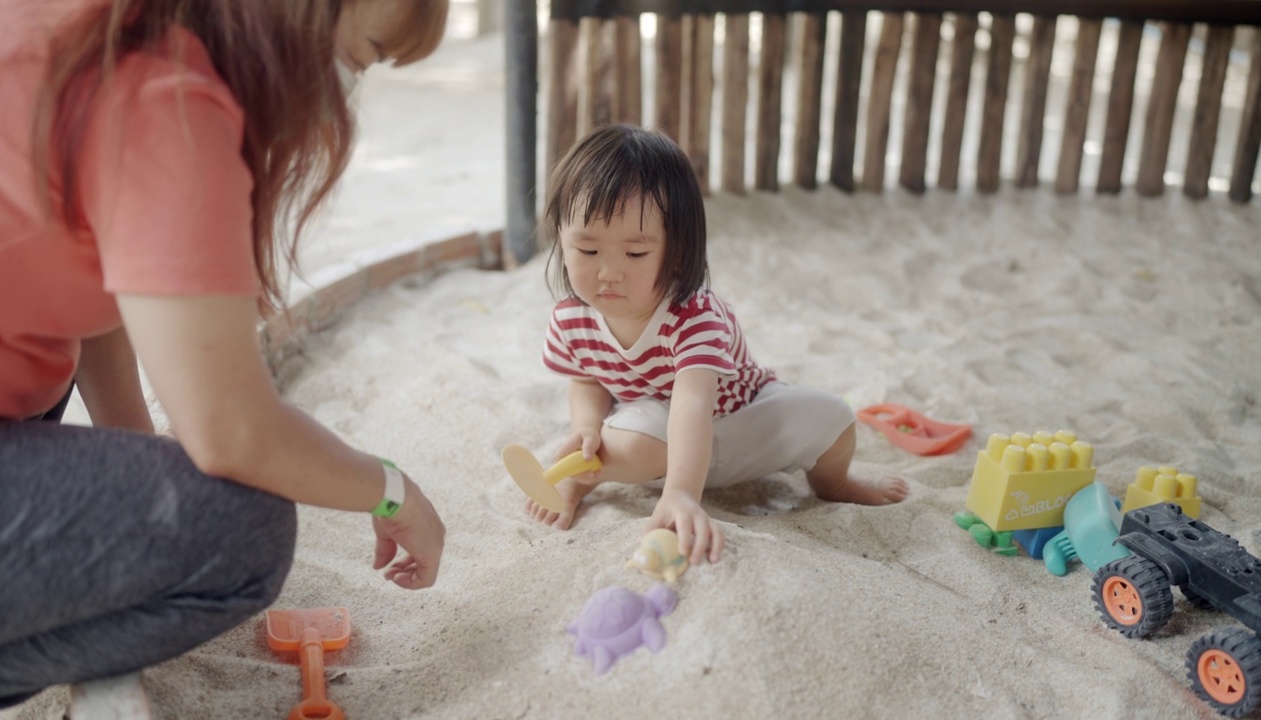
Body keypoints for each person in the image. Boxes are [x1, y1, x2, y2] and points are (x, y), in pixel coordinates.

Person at [0, 0, 449, 715]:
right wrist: (389, 487)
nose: (345, 99)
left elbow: (98, 280)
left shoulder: (105, 28)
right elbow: (233, 431)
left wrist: (140, 481)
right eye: (359, 58)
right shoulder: (168, 100)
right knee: (244, 529)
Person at [525, 124, 911, 567]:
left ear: (677, 251)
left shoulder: (694, 315)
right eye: (587, 251)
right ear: (562, 238)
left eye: (634, 254)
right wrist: (588, 425)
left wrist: (682, 495)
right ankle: (579, 481)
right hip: (656, 437)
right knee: (616, 445)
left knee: (836, 418)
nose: (608, 272)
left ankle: (834, 485)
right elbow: (586, 379)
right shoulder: (571, 318)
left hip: (740, 418)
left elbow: (694, 402)